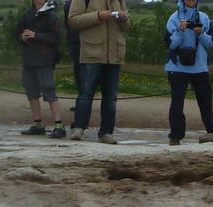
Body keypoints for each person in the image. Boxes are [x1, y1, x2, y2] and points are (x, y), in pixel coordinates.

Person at [67, 0, 129, 143]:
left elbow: (127, 25)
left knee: (111, 97)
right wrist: (98, 16)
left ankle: (106, 132)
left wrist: (124, 18)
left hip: (114, 55)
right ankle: (78, 128)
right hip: (92, 53)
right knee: (85, 94)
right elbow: (73, 20)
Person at [165, 0, 213, 145]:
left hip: (200, 66)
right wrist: (179, 30)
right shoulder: (173, 18)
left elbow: (212, 43)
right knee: (177, 103)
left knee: (206, 102)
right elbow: (170, 45)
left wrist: (201, 33)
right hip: (177, 67)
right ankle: (175, 136)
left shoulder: (204, 17)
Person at [17, 0, 65, 137]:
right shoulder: (27, 15)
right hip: (28, 60)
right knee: (31, 93)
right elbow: (17, 33)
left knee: (49, 92)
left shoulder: (52, 16)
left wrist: (36, 36)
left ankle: (59, 125)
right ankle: (38, 124)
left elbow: (57, 38)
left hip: (44, 60)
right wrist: (22, 37)